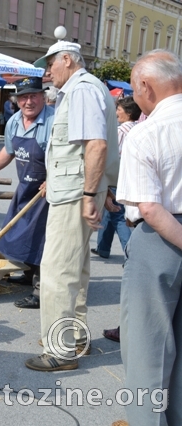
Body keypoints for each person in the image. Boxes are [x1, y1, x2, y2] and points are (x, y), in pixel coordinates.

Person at [24, 40, 120, 372]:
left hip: (74, 192)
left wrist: (91, 194)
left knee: (56, 273)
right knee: (75, 270)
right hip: (77, 189)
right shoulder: (88, 89)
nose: (47, 72)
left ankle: (60, 350)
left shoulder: (81, 90)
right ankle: (75, 340)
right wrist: (99, 190)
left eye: (51, 64)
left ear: (68, 59)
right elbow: (93, 149)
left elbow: (96, 144)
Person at [115, 50, 182, 425]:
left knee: (147, 353)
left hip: (161, 241)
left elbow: (152, 210)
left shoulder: (146, 132)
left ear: (145, 86)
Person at [0, 77, 53, 310]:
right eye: (24, 97)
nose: (29, 101)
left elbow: (67, 155)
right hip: (26, 186)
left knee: (41, 238)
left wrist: (53, 179)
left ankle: (41, 291)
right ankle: (29, 275)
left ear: (43, 97)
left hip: (47, 191)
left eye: (34, 96)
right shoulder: (15, 121)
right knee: (21, 232)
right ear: (17, 100)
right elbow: (9, 151)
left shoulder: (55, 120)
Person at [92, 96, 142, 259]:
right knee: (111, 213)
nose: (116, 113)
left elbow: (110, 154)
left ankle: (131, 256)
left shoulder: (121, 131)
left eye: (119, 109)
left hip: (118, 177)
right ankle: (103, 248)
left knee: (118, 215)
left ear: (127, 113)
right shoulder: (139, 128)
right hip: (132, 177)